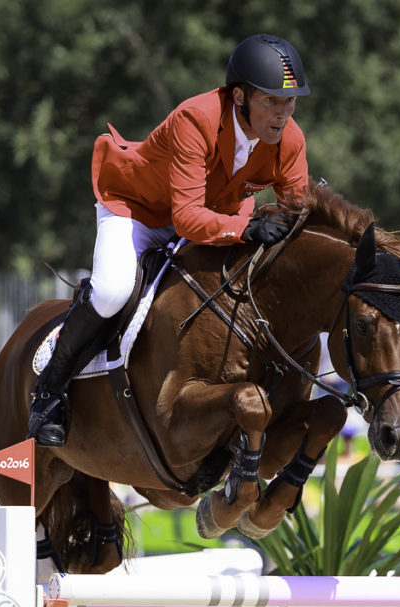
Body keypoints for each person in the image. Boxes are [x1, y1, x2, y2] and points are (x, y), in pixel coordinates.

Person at [27, 34, 311, 447]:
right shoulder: (195, 119)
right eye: (272, 101)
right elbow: (187, 216)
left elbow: (296, 211)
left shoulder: (290, 140)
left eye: (290, 102)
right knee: (111, 291)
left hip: (212, 219)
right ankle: (49, 392)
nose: (283, 114)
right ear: (240, 96)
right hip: (138, 211)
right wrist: (246, 229)